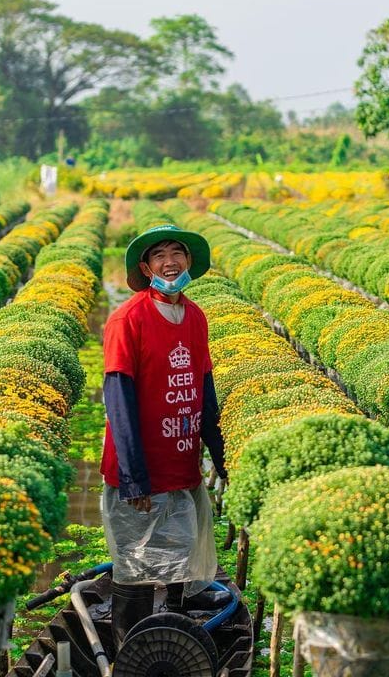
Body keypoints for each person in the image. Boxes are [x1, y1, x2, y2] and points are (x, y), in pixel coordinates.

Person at [101, 224, 231, 647]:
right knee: (136, 571)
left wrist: (223, 459)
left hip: (182, 462)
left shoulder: (195, 316)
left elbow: (205, 390)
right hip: (142, 469)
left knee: (180, 560)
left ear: (189, 262)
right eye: (159, 255)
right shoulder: (128, 319)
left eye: (177, 253)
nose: (170, 262)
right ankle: (130, 653)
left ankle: (174, 645)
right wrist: (133, 478)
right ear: (146, 268)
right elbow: (118, 401)